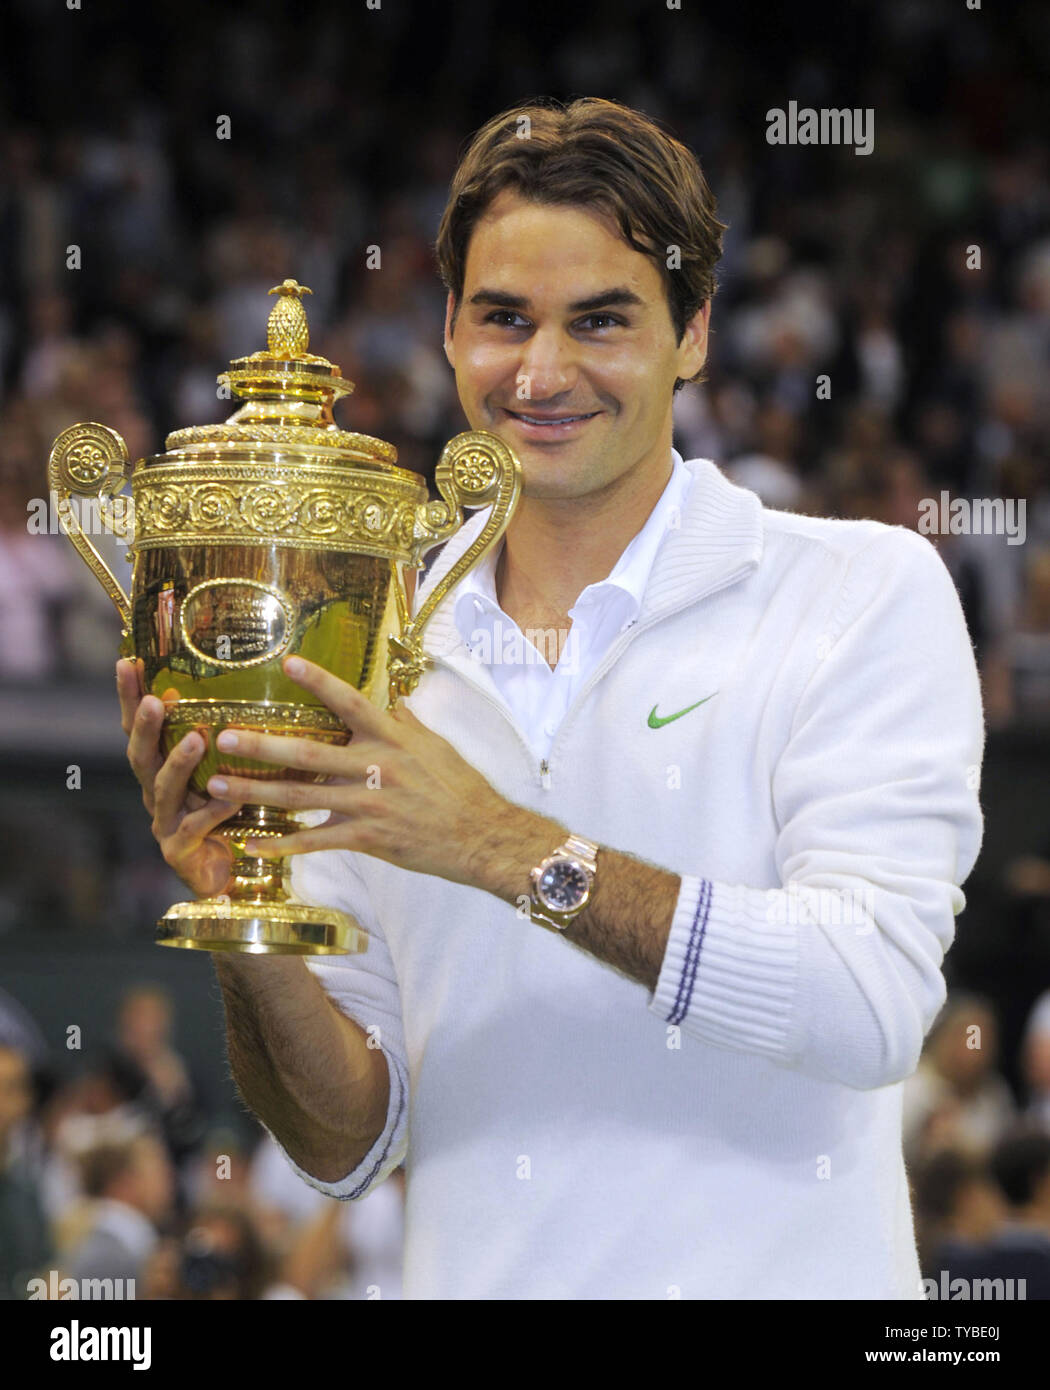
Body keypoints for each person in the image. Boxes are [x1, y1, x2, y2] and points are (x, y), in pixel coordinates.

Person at [116, 96, 985, 1299]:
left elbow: (870, 1000)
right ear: (449, 333)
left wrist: (500, 844)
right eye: (505, 319)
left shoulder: (860, 590)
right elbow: (346, 1144)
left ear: (693, 333)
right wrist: (244, 920)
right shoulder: (363, 651)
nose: (542, 371)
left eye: (602, 322)